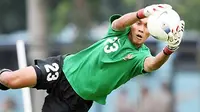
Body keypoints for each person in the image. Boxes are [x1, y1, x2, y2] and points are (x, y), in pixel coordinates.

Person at [0, 4, 185, 112]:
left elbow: (152, 64)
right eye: (138, 24)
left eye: (146, 27)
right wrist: (142, 12)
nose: (140, 29)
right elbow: (120, 22)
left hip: (75, 102)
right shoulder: (119, 31)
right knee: (10, 79)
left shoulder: (140, 56)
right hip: (63, 68)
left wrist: (170, 49)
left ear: (151, 33)